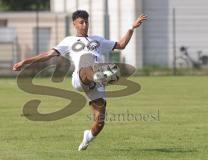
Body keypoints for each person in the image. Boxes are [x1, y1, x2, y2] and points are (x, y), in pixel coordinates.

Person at [12, 10, 147, 151]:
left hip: (96, 81)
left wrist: (132, 28)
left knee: (100, 122)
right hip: (80, 78)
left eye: (86, 22)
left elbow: (121, 45)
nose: (84, 25)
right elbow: (48, 54)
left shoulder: (98, 40)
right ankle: (102, 74)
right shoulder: (69, 41)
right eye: (81, 22)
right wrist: (25, 62)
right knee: (88, 60)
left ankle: (88, 137)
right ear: (74, 24)